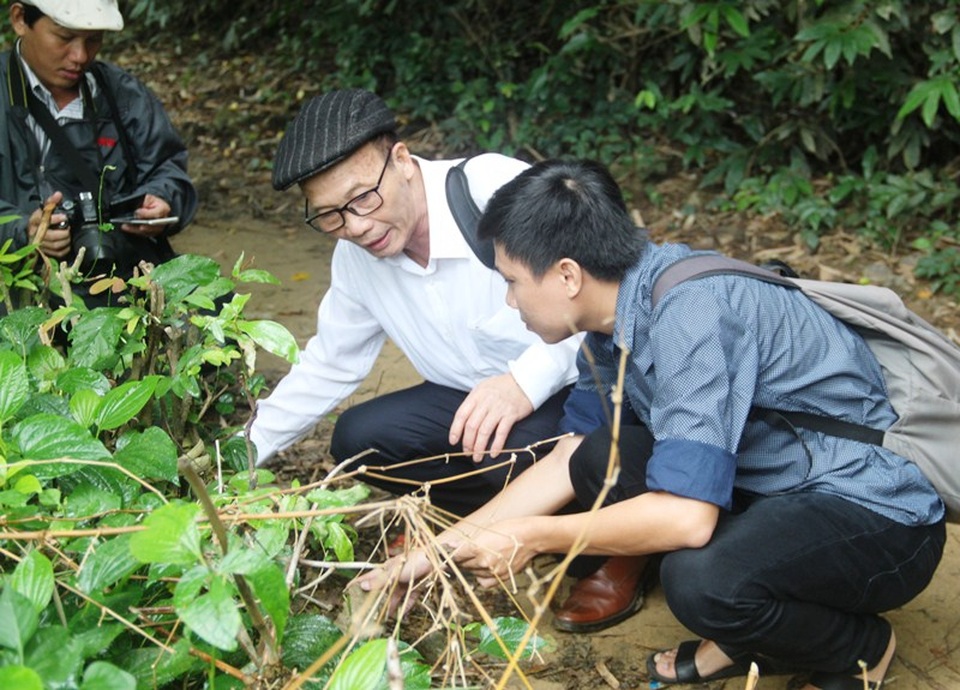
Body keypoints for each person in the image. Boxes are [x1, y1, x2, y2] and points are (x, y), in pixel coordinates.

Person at [357, 159, 946, 690]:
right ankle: (751, 630)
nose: (511, 301)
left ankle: (859, 649)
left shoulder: (693, 315)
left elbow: (687, 520)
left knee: (702, 581)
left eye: (512, 281)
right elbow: (570, 458)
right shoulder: (611, 318)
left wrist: (535, 537)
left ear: (567, 275)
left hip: (876, 514)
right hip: (778, 481)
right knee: (597, 455)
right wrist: (434, 555)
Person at [247, 89, 582, 522]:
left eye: (363, 197)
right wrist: (241, 452)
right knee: (359, 440)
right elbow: (330, 364)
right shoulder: (355, 258)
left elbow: (600, 293)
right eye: (330, 216)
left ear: (402, 160)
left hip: (570, 387)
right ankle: (492, 522)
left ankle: (601, 548)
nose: (357, 226)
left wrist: (524, 382)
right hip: (466, 398)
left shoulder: (491, 189)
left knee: (514, 448)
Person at [0, 0, 197, 308]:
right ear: (20, 19)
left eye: (93, 39)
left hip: (116, 288)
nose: (80, 56)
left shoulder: (123, 96)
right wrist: (21, 231)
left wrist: (162, 200)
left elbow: (168, 169)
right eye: (65, 38)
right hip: (14, 295)